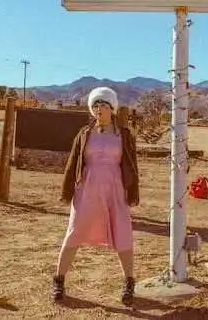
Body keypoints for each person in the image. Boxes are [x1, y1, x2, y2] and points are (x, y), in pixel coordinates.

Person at [52, 86, 140, 306]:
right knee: (73, 232)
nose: (98, 110)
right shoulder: (84, 134)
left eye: (102, 105)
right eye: (94, 106)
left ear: (113, 108)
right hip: (87, 189)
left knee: (122, 233)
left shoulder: (125, 135)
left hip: (115, 189)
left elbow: (131, 165)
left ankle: (129, 282)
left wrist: (132, 191)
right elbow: (73, 164)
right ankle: (59, 280)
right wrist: (69, 190)